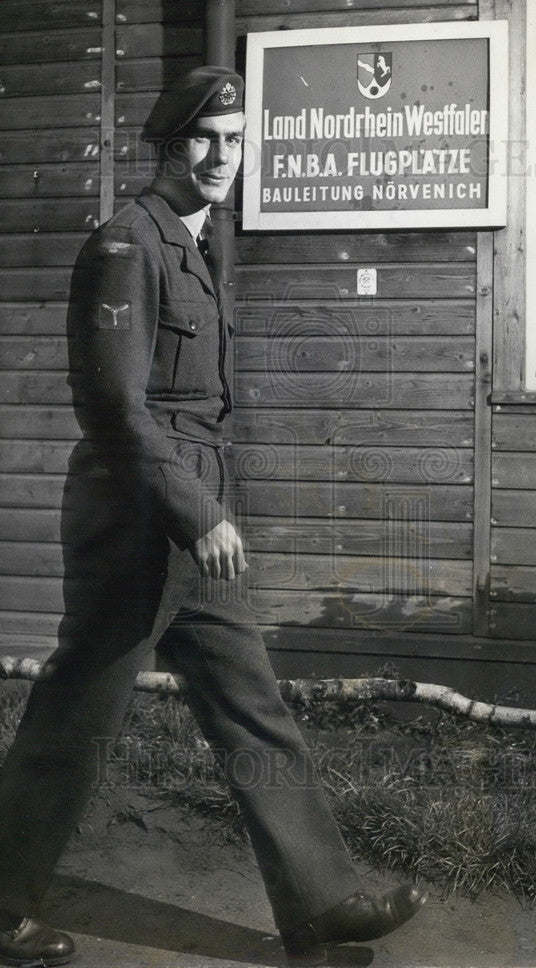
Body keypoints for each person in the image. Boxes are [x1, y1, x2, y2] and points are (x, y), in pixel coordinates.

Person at [0, 66, 423, 967]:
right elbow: (115, 407)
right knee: (78, 716)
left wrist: (204, 509)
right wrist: (197, 512)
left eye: (236, 140)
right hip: (135, 517)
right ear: (167, 144)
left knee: (249, 704)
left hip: (189, 516)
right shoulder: (127, 245)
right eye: (206, 139)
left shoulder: (194, 243)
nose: (225, 156)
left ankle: (320, 904)